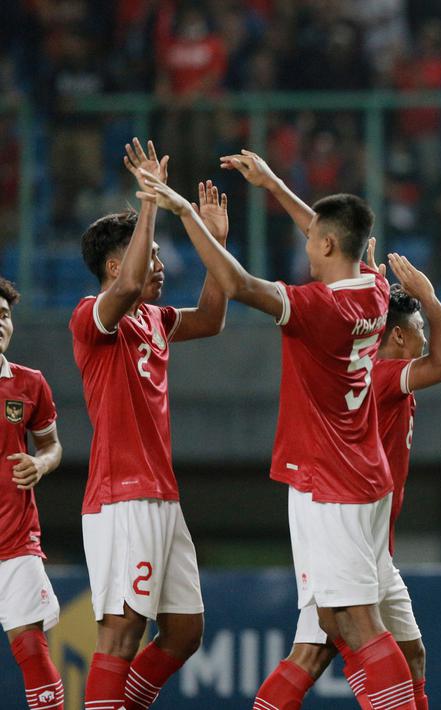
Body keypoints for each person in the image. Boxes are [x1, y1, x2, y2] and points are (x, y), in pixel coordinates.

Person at [136, 150, 417, 710]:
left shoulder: (320, 308)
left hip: (328, 481)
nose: (306, 244)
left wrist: (184, 213)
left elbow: (237, 283)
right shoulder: (374, 290)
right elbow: (324, 228)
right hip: (360, 473)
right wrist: (273, 184)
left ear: (330, 248)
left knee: (357, 625)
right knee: (319, 639)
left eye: (314, 241)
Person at [72, 139, 228, 710]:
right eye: (153, 255)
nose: (164, 265)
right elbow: (131, 285)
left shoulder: (156, 321)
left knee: (185, 631)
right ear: (116, 266)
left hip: (161, 495)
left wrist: (215, 240)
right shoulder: (92, 318)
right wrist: (152, 202)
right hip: (122, 497)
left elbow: (211, 317)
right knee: (121, 632)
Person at [277, 241, 441, 710]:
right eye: (418, 329)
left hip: (373, 540)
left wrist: (368, 279)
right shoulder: (382, 375)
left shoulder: (381, 376)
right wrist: (429, 296)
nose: (424, 338)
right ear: (398, 337)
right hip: (345, 532)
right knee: (332, 651)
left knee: (404, 653)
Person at [0, 277, 66, 710]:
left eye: (4, 316)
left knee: (32, 651)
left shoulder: (29, 384)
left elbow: (51, 445)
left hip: (15, 542)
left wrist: (40, 464)